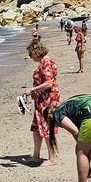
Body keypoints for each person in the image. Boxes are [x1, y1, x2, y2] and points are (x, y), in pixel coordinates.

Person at [26, 38, 60, 166]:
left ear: (36, 52)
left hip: (48, 99)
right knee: (37, 127)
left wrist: (33, 89)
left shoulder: (46, 62)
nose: (30, 57)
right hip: (41, 99)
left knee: (47, 126)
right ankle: (36, 155)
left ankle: (52, 158)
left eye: (31, 54)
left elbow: (49, 83)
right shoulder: (43, 62)